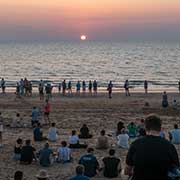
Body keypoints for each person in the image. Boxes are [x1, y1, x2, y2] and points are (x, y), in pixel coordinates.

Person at [125, 115, 180, 180]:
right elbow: (176, 168)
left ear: (145, 127)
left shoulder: (135, 144)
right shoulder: (169, 146)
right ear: (160, 128)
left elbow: (127, 170)